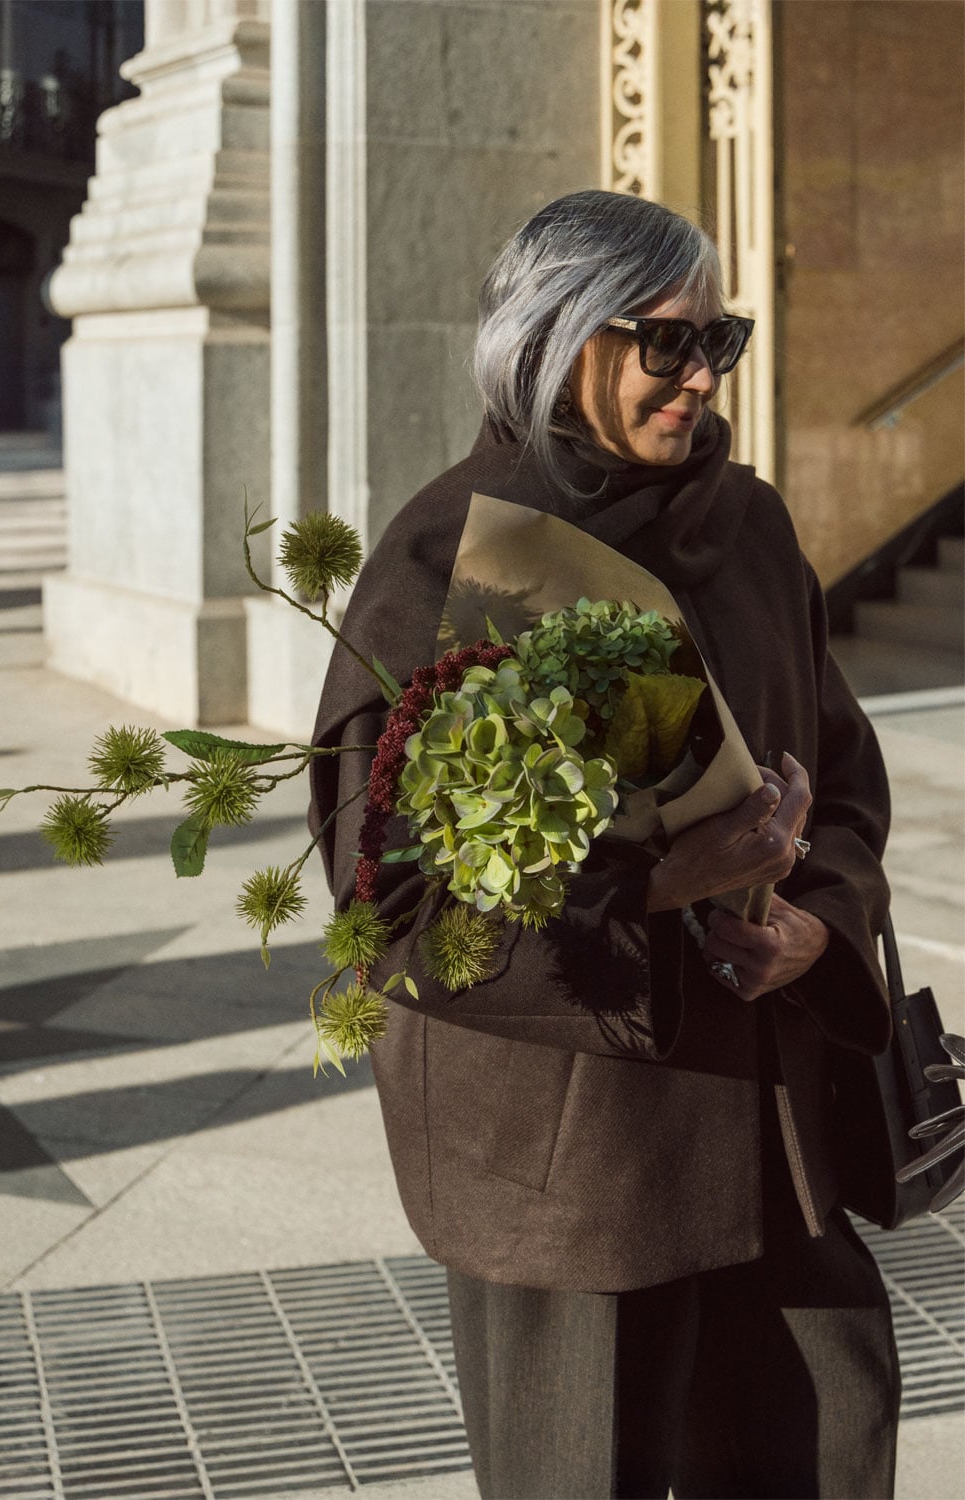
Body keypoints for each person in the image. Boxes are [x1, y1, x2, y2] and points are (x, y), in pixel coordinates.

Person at [310, 190, 899, 1500]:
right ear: (555, 339)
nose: (701, 377)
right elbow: (402, 902)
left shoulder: (747, 531)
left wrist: (818, 918)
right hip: (575, 1170)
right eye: (665, 344)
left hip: (772, 1127)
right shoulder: (450, 560)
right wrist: (662, 887)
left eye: (720, 341)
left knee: (830, 1441)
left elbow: (849, 783)